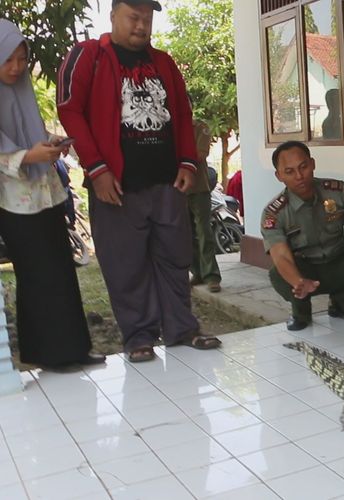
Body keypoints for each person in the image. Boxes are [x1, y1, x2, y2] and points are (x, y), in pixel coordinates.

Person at [57, 0, 221, 363]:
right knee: (125, 265)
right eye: (134, 17)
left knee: (175, 258)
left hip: (166, 182)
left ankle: (182, 328)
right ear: (113, 15)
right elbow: (69, 110)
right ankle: (139, 336)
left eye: (147, 19)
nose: (142, 26)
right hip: (117, 185)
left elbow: (181, 114)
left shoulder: (163, 62)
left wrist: (188, 163)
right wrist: (96, 169)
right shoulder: (88, 56)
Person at [0, 20, 105, 370]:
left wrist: (50, 145)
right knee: (36, 274)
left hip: (43, 194)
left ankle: (75, 349)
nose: (16, 67)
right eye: (7, 60)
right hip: (13, 202)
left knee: (61, 268)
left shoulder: (21, 90)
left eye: (21, 59)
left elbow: (30, 132)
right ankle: (50, 355)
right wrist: (29, 156)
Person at [261, 141, 344, 331]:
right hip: (305, 270)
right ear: (279, 175)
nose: (299, 176)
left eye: (303, 167)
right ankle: (301, 313)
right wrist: (299, 282)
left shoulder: (338, 191)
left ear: (312, 163)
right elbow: (280, 256)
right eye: (289, 171)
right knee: (279, 274)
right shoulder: (274, 213)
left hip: (337, 263)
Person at [187, 118, 221, 292]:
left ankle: (211, 276)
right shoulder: (169, 126)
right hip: (177, 190)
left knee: (203, 232)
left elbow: (201, 153)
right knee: (186, 234)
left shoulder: (200, 127)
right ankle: (197, 272)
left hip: (199, 187)